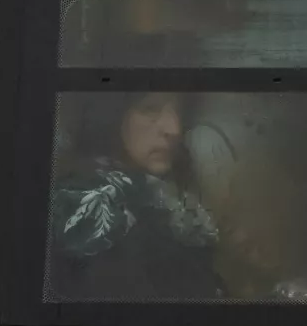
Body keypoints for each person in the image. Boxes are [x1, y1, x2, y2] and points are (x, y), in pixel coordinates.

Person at [48, 92, 223, 300]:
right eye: (150, 109)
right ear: (112, 115)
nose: (174, 129)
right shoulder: (90, 205)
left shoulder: (167, 198)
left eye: (180, 112)